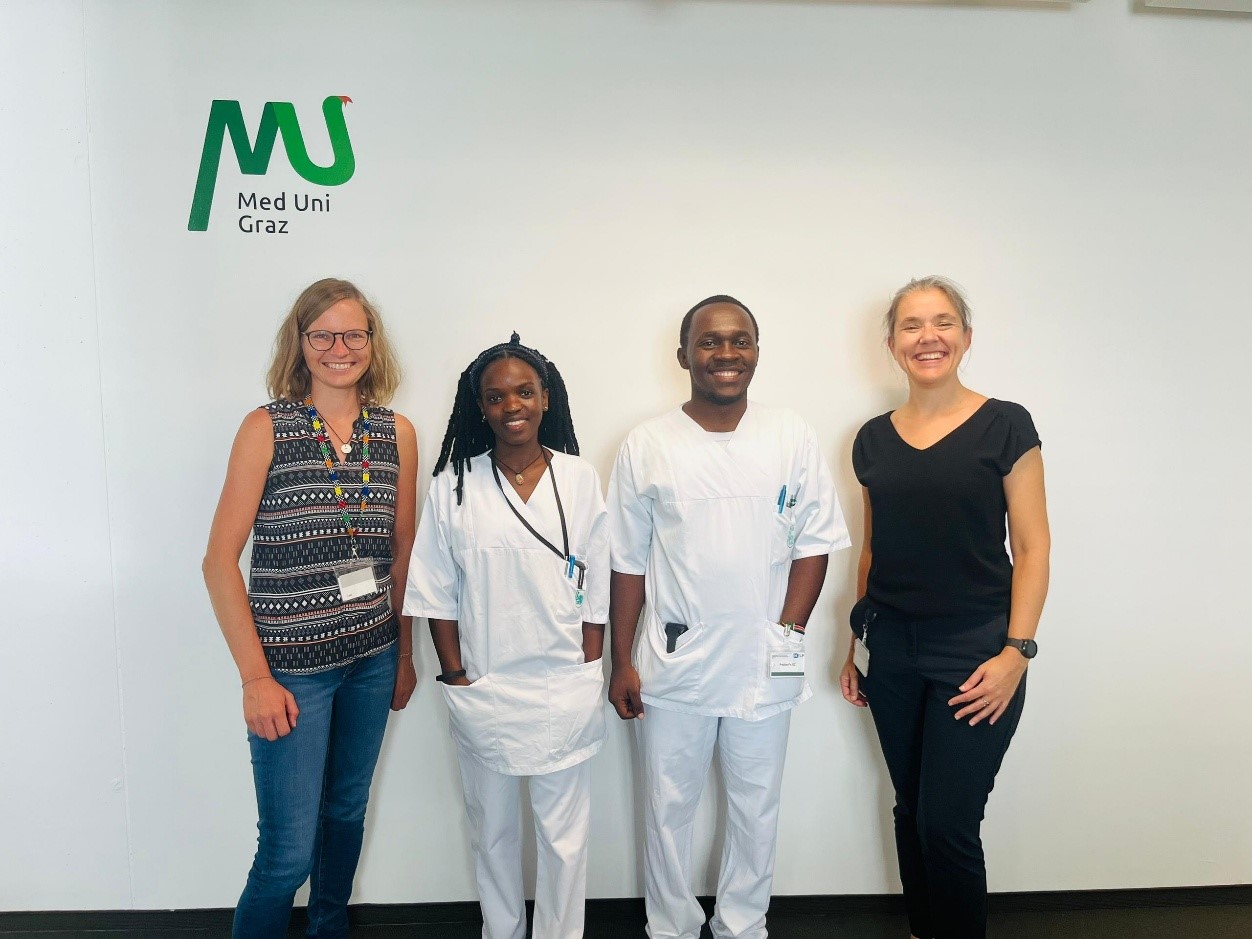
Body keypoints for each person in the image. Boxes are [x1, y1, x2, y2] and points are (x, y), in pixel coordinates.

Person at [607, 296, 849, 939]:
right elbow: (626, 561)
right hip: (672, 661)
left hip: (763, 659)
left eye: (739, 341)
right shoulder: (647, 443)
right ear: (683, 354)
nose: (725, 354)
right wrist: (621, 660)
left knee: (755, 806)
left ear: (757, 353)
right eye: (710, 342)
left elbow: (814, 542)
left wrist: (788, 636)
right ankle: (672, 925)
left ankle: (743, 925)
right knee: (667, 808)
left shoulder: (790, 435)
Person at [202, 278, 418, 938]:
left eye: (353, 333)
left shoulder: (397, 432)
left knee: (346, 812)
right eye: (322, 334)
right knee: (286, 853)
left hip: (371, 661)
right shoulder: (267, 426)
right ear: (300, 345)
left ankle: (330, 928)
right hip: (291, 673)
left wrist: (404, 657)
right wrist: (255, 677)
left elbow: (402, 551)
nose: (338, 348)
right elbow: (218, 563)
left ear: (372, 343)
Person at [840, 276, 1050, 939]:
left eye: (941, 322)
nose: (927, 336)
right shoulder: (870, 439)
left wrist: (1016, 653)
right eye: (911, 325)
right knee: (910, 809)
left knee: (948, 822)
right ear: (892, 342)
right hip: (892, 648)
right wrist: (856, 643)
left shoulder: (1005, 423)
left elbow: (1035, 545)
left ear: (965, 335)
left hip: (977, 649)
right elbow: (873, 548)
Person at [405, 332, 608, 939]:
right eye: (496, 397)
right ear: (480, 407)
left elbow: (598, 585)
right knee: (491, 830)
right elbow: (435, 590)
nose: (511, 405)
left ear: (546, 398)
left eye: (524, 391)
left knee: (564, 838)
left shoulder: (579, 478)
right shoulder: (454, 485)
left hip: (560, 686)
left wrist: (588, 664)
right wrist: (455, 673)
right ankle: (502, 931)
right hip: (486, 685)